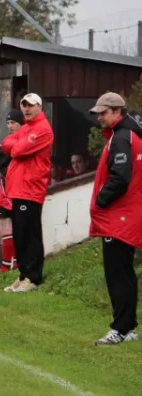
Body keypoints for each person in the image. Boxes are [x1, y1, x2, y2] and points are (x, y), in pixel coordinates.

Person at [88, 92, 142, 345]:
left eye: (103, 112)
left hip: (119, 216)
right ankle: (129, 327)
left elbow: (120, 177)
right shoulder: (130, 134)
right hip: (128, 214)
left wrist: (101, 199)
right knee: (126, 272)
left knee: (117, 273)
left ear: (118, 112)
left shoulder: (121, 138)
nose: (99, 117)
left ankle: (120, 329)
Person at [1, 93, 53, 293]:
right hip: (19, 188)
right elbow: (7, 143)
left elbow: (16, 151)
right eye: (24, 106)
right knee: (20, 234)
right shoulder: (27, 128)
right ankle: (23, 275)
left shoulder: (42, 129)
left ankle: (33, 277)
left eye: (30, 105)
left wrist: (15, 145)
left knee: (30, 234)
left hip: (30, 188)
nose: (26, 109)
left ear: (39, 107)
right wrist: (15, 145)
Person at [0, 109, 24, 273]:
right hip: (3, 190)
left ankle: (8, 264)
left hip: (13, 189)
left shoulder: (23, 139)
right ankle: (13, 263)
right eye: (8, 123)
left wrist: (5, 159)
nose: (10, 126)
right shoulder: (7, 140)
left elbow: (3, 158)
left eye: (14, 123)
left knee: (6, 227)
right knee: (3, 228)